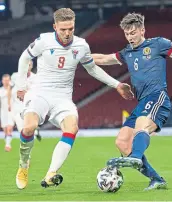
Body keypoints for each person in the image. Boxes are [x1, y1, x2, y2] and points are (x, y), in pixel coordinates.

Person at [92, 12, 172, 190]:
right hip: (142, 102)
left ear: (142, 30)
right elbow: (103, 58)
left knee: (141, 127)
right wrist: (80, 57)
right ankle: (156, 179)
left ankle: (135, 157)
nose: (130, 37)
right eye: (127, 34)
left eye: (133, 33)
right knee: (122, 142)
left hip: (157, 97)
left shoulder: (158, 44)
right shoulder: (127, 52)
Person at [15, 8, 133, 190]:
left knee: (72, 128)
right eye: (63, 29)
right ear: (55, 27)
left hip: (63, 97)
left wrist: (116, 84)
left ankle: (50, 173)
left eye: (71, 28)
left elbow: (92, 68)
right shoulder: (43, 41)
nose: (68, 33)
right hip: (40, 92)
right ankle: (24, 165)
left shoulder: (81, 45)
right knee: (29, 127)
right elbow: (24, 58)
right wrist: (22, 86)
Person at [11, 61, 42, 142]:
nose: (26, 67)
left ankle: (33, 137)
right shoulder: (15, 76)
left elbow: (38, 92)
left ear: (31, 66)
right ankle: (34, 133)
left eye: (29, 65)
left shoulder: (35, 78)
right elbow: (9, 88)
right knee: (21, 129)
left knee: (28, 128)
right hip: (17, 106)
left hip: (29, 106)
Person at [0, 74, 14, 152]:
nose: (6, 82)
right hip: (3, 112)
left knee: (9, 128)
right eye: (4, 80)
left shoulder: (13, 90)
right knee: (5, 129)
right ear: (2, 81)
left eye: (7, 80)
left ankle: (7, 145)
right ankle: (7, 143)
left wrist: (10, 87)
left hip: (11, 111)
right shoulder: (1, 90)